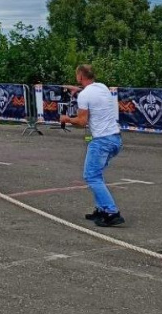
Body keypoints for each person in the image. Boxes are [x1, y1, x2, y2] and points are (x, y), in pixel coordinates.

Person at [60, 64, 125, 227]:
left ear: (80, 76)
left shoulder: (84, 95)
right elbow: (91, 94)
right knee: (97, 174)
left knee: (91, 176)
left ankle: (111, 211)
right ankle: (101, 208)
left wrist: (66, 119)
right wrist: (78, 90)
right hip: (115, 138)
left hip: (101, 140)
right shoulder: (102, 87)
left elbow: (82, 122)